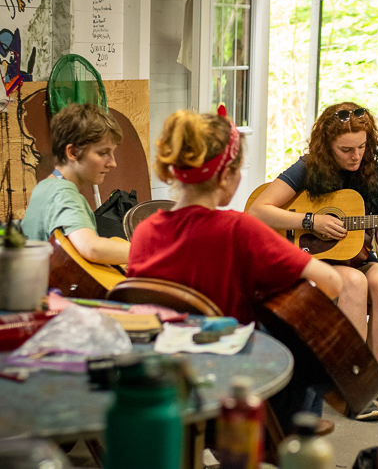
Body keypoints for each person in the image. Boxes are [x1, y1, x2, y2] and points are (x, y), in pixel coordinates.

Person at [127, 108, 342, 432]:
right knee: (304, 341)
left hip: (163, 383)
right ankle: (293, 439)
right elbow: (331, 282)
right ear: (225, 176)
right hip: (229, 385)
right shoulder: (238, 230)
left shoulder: (144, 231)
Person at [247, 102, 378, 419]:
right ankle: (351, 384)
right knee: (355, 282)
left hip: (359, 257)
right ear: (327, 145)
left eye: (362, 147)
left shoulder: (376, 176)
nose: (356, 155)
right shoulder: (307, 168)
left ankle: (377, 383)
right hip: (316, 262)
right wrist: (310, 222)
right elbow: (258, 210)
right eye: (346, 149)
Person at [21, 103, 129, 265]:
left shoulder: (45, 186)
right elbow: (91, 248)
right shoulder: (63, 193)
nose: (112, 163)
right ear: (72, 152)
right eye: (102, 153)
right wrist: (151, 252)